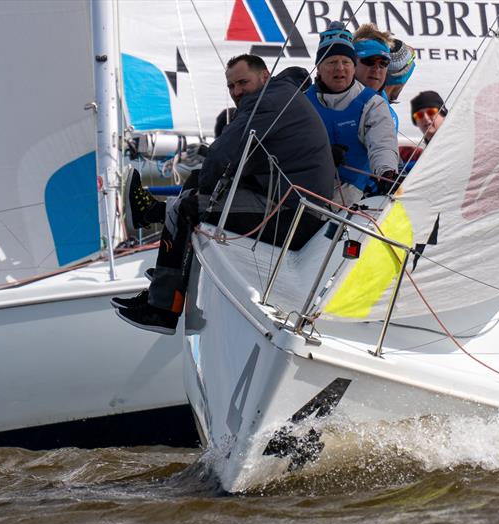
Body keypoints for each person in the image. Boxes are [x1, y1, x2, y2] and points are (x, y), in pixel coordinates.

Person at [113, 54, 335, 334]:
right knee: (195, 184)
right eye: (231, 87)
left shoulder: (266, 102)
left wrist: (202, 195)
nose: (237, 92)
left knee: (189, 208)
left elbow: (222, 154)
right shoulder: (280, 94)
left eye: (243, 82)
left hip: (293, 217)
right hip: (293, 205)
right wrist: (202, 187)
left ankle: (161, 310)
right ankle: (161, 270)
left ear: (264, 76)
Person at [306, 21, 399, 206]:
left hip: (351, 199)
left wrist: (387, 173)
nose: (340, 68)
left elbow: (382, 143)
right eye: (332, 62)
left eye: (346, 62)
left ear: (353, 67)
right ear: (319, 67)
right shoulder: (301, 102)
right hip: (304, 192)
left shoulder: (373, 104)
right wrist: (320, 155)